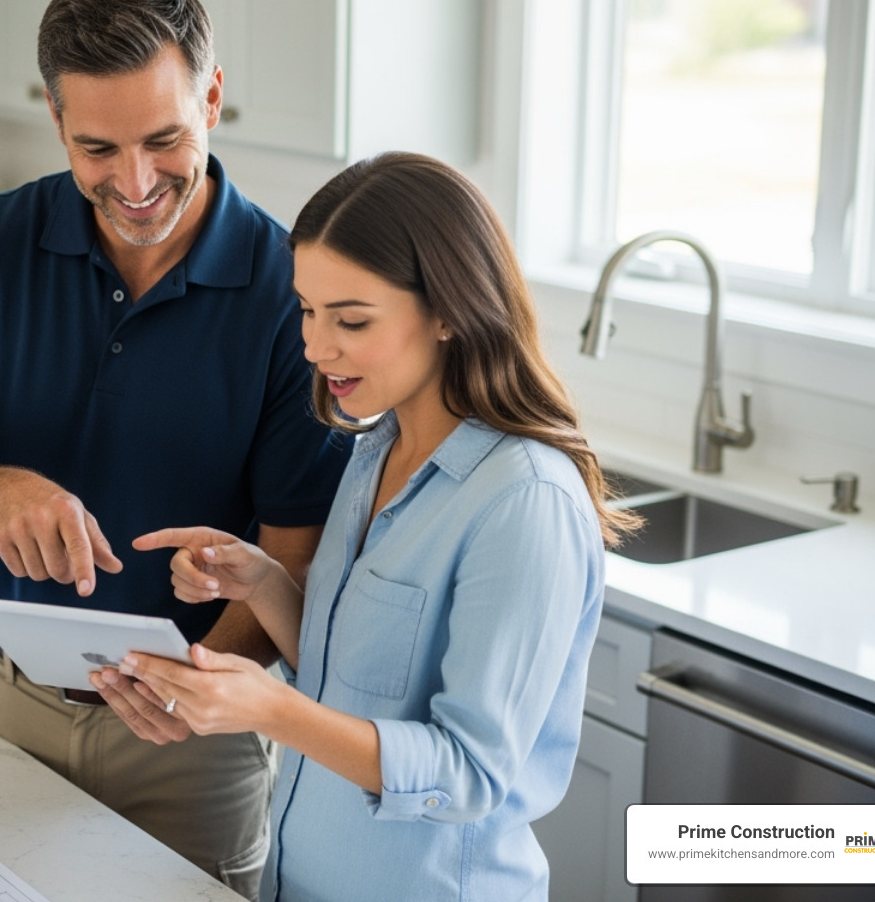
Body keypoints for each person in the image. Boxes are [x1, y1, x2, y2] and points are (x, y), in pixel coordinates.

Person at [0, 0, 348, 898]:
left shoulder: (290, 287)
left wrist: (196, 682)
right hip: (3, 707)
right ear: (57, 123)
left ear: (212, 96)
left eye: (164, 139)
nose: (134, 184)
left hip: (193, 743)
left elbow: (298, 555)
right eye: (98, 147)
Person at [117, 152, 641, 902]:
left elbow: (471, 771)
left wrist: (274, 710)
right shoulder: (374, 451)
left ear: (450, 311)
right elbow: (353, 677)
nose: (315, 346)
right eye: (305, 309)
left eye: (352, 319)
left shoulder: (524, 503)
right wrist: (263, 583)